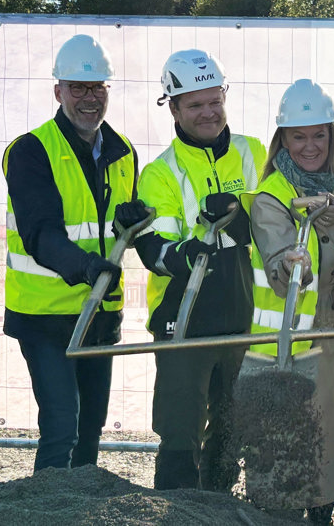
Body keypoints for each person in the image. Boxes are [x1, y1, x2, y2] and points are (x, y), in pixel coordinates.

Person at [242, 79, 334, 524]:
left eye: (319, 134)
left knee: (333, 447)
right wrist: (294, 265)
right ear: (283, 139)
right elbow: (281, 274)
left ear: (331, 136)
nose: (310, 146)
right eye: (299, 136)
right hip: (297, 343)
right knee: (291, 455)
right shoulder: (271, 196)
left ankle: (322, 516)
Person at [2, 34, 147, 472]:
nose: (89, 98)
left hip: (100, 314)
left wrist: (133, 225)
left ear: (108, 91)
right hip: (46, 316)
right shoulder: (31, 151)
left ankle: (81, 510)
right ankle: (48, 510)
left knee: (90, 431)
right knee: (62, 425)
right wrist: (84, 266)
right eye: (78, 88)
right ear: (58, 92)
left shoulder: (123, 152)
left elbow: (113, 232)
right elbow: (40, 234)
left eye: (98, 87)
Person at [127, 49, 266, 491]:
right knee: (180, 430)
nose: (208, 112)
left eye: (214, 101)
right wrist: (198, 242)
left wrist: (239, 217)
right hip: (182, 316)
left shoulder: (253, 151)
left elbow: (272, 220)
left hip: (244, 310)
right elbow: (158, 255)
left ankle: (218, 510)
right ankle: (175, 511)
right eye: (195, 104)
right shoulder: (160, 173)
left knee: (230, 430)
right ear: (173, 108)